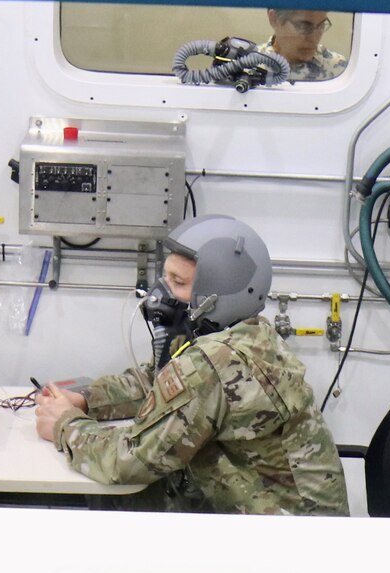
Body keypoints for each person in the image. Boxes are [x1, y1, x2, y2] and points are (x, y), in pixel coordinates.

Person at [34, 215, 348, 516]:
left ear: (218, 296)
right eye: (165, 277)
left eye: (178, 282)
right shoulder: (249, 333)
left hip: (288, 545)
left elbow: (130, 461)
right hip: (286, 524)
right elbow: (157, 380)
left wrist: (65, 424)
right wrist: (88, 399)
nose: (161, 293)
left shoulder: (214, 363)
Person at [258, 9, 347, 83]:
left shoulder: (340, 71)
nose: (314, 38)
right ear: (274, 19)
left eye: (321, 25)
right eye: (304, 26)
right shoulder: (249, 67)